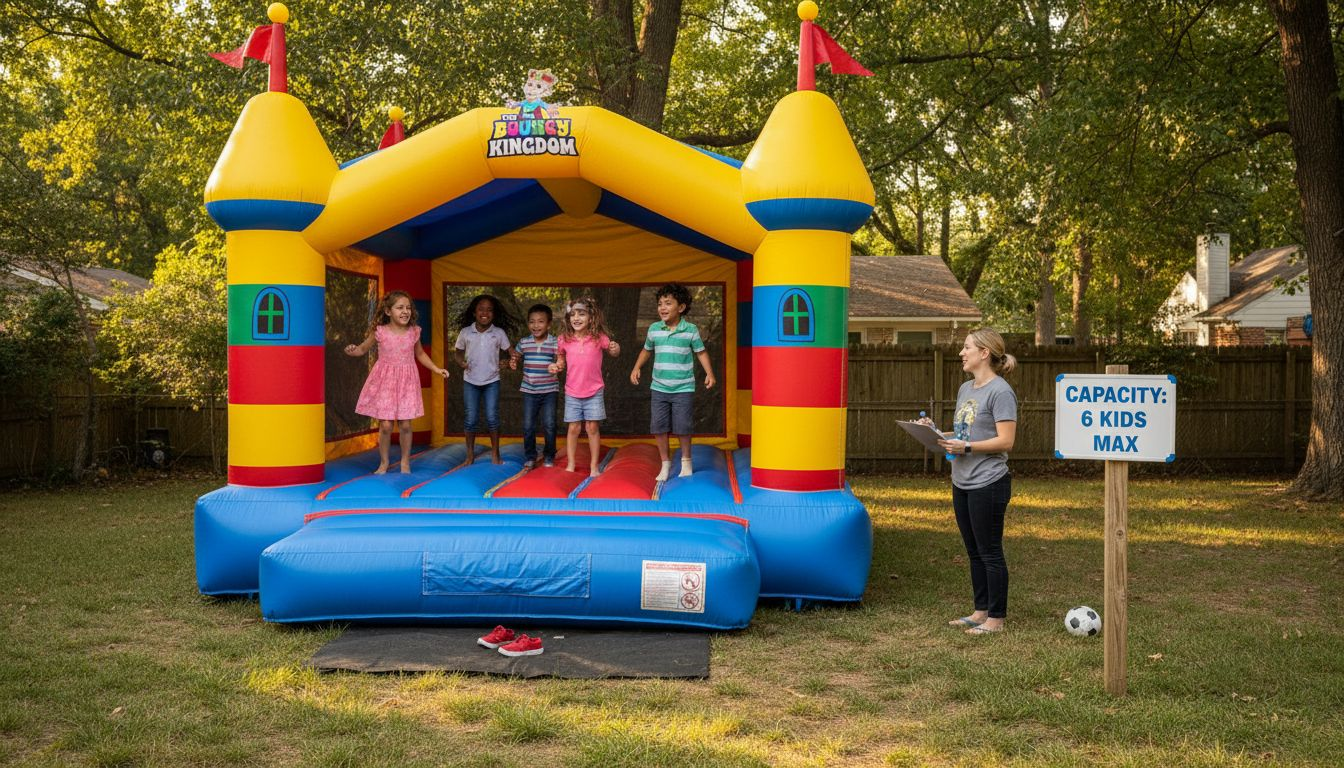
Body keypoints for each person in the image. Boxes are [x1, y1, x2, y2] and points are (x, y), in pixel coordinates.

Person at [924, 328, 1018, 635]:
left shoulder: (1000, 391)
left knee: (990, 550)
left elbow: (1006, 441)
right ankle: (980, 611)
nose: (962, 353)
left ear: (984, 353)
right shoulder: (966, 389)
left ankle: (997, 618)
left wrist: (966, 447)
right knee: (973, 550)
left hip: (989, 483)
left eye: (967, 347)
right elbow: (966, 436)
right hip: (961, 480)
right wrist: (935, 433)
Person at [345, 291, 449, 474]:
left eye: (408, 308)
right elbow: (362, 349)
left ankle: (405, 462)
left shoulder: (414, 332)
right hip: (385, 380)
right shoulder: (380, 331)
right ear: (387, 311)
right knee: (385, 425)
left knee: (406, 424)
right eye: (400, 307)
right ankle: (384, 462)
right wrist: (353, 350)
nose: (405, 311)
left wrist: (436, 368)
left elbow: (420, 354)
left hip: (407, 381)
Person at [629, 283, 716, 480]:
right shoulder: (654, 329)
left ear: (681, 307)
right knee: (659, 427)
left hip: (683, 387)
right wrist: (637, 367)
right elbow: (647, 350)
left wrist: (709, 374)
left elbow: (701, 352)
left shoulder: (690, 330)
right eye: (660, 304)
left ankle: (686, 461)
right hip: (659, 387)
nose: (663, 308)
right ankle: (665, 464)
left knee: (682, 427)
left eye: (668, 303)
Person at [549, 297, 621, 476]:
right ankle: (571, 464)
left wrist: (615, 348)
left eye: (581, 314)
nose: (576, 318)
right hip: (573, 391)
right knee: (573, 428)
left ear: (591, 318)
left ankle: (594, 466)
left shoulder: (598, 338)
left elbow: (614, 351)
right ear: (568, 318)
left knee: (592, 428)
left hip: (594, 391)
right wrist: (555, 366)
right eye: (572, 314)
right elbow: (560, 361)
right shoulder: (564, 339)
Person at [452, 294, 516, 465]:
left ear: (493, 314)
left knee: (492, 417)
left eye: (489, 310)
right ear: (474, 312)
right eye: (481, 309)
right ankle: (470, 455)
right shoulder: (466, 332)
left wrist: (511, 361)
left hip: (491, 381)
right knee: (471, 418)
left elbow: (511, 352)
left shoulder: (498, 333)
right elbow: (457, 353)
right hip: (471, 381)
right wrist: (461, 363)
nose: (485, 313)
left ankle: (495, 453)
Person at [509, 303, 560, 469]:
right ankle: (530, 456)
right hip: (529, 390)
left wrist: (558, 365)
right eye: (532, 322)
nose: (536, 325)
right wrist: (513, 361)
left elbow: (561, 360)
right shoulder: (524, 342)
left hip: (549, 391)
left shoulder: (555, 343)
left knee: (549, 424)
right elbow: (516, 356)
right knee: (528, 425)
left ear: (549, 324)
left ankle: (549, 455)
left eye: (540, 322)